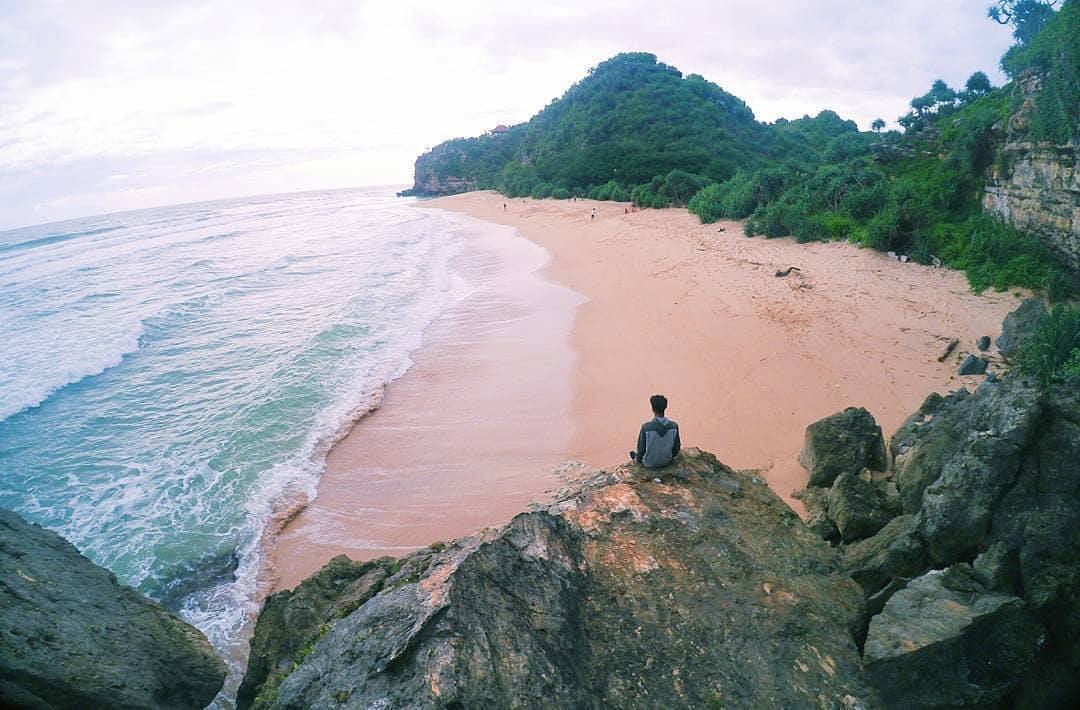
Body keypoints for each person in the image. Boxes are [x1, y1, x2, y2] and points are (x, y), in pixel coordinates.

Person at [630, 394, 681, 468]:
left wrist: (638, 459)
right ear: (665, 407)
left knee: (633, 454)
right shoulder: (674, 426)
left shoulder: (646, 427)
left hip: (649, 464)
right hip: (667, 461)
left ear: (652, 408)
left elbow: (641, 449)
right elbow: (676, 448)